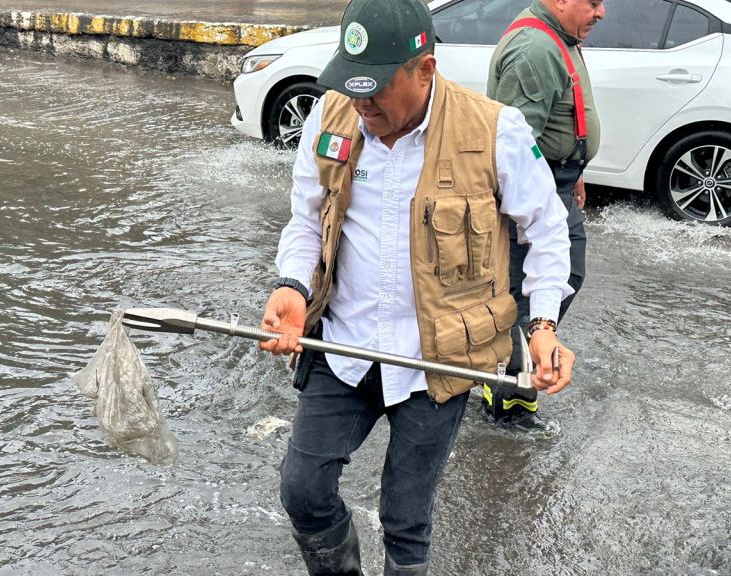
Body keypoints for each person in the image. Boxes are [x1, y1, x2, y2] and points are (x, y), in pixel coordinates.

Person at [258, 0, 576, 573]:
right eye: (351, 85)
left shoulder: (495, 130)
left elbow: (548, 231)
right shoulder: (329, 119)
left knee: (406, 519)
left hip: (441, 358)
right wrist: (292, 288)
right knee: (302, 491)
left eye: (376, 88)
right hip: (344, 346)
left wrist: (544, 327)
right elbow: (306, 220)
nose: (362, 103)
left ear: (424, 70)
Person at [483, 0, 604, 429]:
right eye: (593, 2)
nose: (601, 12)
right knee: (527, 294)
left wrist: (577, 171)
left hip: (559, 181)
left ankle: (509, 379)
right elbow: (514, 149)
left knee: (561, 277)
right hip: (540, 187)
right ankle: (506, 399)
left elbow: (559, 118)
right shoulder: (535, 48)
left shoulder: (560, 37)